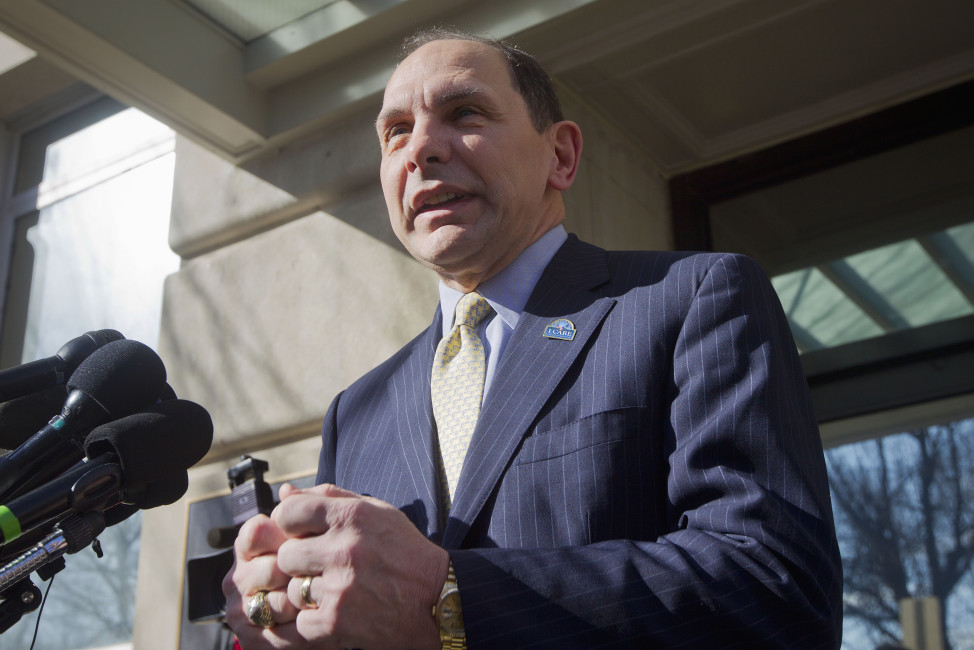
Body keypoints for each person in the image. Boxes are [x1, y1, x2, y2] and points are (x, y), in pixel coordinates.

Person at [223, 27, 842, 649]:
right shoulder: (355, 414)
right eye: (395, 132)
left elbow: (777, 589)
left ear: (561, 156)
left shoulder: (693, 298)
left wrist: (449, 594)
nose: (422, 149)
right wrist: (288, 618)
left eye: (463, 112)